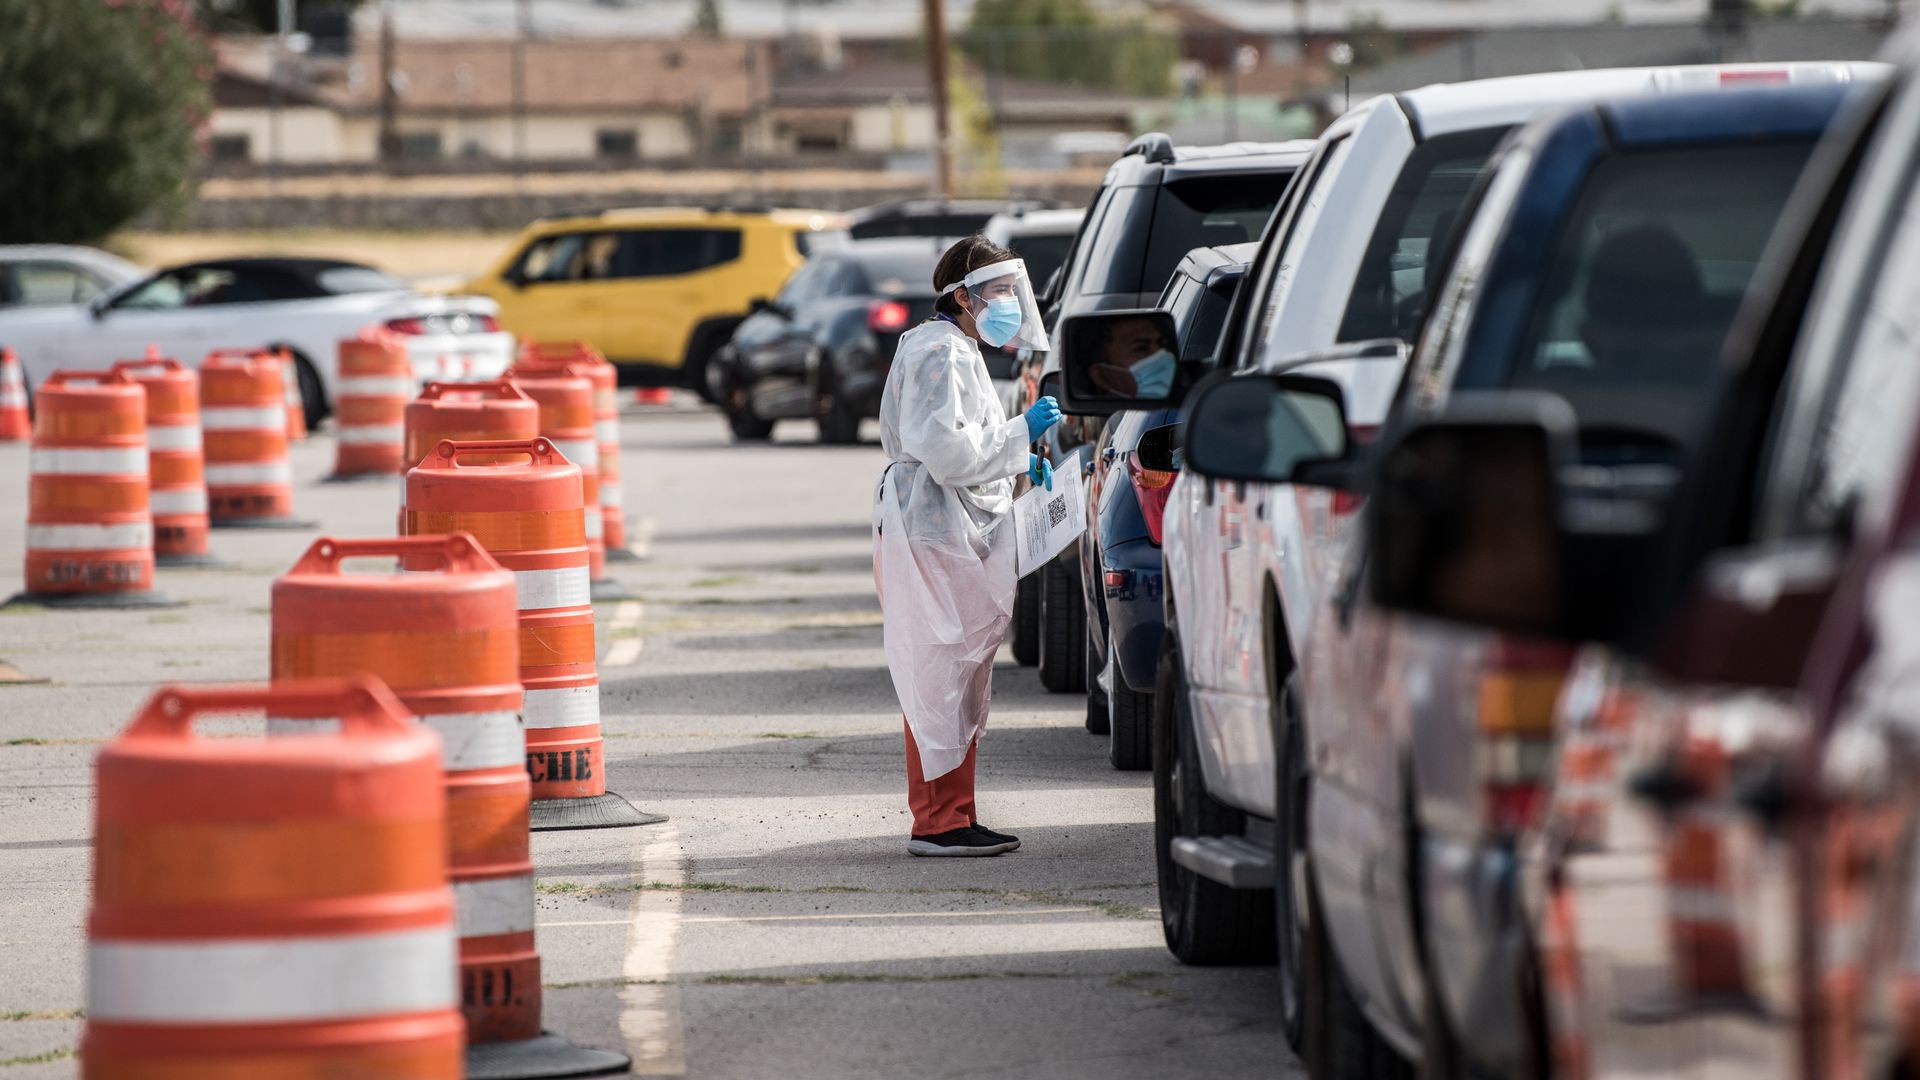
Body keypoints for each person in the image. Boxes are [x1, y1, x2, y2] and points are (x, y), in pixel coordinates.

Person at [873, 234, 1061, 857]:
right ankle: (938, 822)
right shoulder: (941, 354)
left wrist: (1017, 459)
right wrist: (1019, 433)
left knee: (959, 673)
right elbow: (949, 454)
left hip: (947, 527)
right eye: (999, 293)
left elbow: (965, 445)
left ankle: (954, 815)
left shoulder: (953, 348)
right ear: (962, 297)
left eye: (1012, 292)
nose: (1009, 304)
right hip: (932, 530)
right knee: (940, 672)